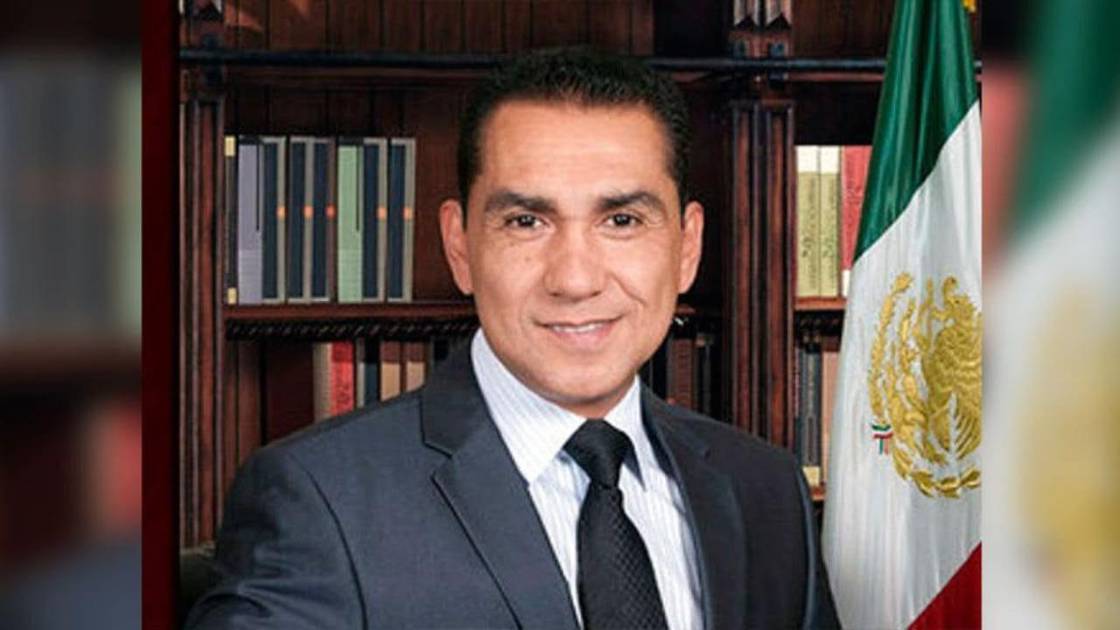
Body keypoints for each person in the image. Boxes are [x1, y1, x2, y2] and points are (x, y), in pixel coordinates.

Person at [185, 48, 839, 630]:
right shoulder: (320, 498)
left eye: (621, 220)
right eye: (527, 221)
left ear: (687, 247)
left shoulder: (764, 488)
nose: (575, 279)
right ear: (460, 246)